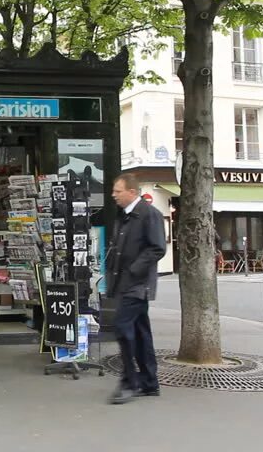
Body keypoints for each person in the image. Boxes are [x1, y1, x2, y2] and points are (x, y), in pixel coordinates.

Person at [107, 173, 166, 405]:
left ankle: (130, 382)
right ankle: (150, 383)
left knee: (123, 328)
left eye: (118, 191)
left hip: (136, 284)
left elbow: (157, 248)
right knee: (141, 333)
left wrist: (133, 270)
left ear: (132, 192)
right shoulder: (124, 216)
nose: (114, 195)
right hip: (124, 282)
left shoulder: (149, 215)